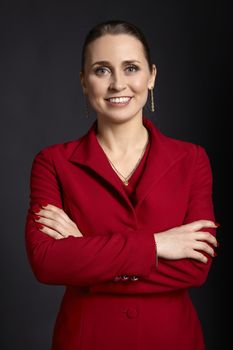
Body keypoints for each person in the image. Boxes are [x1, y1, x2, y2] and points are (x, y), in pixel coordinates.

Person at [25, 19, 219, 350]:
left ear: (152, 76)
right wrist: (157, 246)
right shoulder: (52, 162)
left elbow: (195, 268)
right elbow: (46, 261)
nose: (118, 84)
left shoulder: (193, 159)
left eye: (131, 68)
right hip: (87, 340)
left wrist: (86, 254)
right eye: (102, 70)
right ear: (84, 82)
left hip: (171, 339)